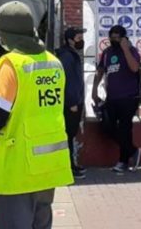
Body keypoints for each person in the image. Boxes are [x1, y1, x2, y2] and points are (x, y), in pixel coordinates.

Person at [0, 1, 73, 229]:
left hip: (16, 168)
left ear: (6, 36)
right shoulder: (53, 62)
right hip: (47, 167)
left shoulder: (11, 65)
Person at [92, 25, 141, 174]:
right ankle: (132, 150)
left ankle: (123, 161)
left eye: (117, 37)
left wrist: (125, 49)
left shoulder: (132, 51)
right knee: (107, 127)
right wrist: (94, 90)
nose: (114, 39)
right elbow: (100, 71)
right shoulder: (107, 53)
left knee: (125, 129)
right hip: (112, 97)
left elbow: (134, 68)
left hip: (129, 97)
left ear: (124, 38)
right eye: (112, 37)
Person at [56, 27, 87, 179]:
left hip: (76, 101)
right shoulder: (67, 56)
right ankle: (68, 167)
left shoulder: (71, 54)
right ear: (70, 39)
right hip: (71, 104)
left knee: (71, 135)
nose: (81, 39)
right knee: (68, 135)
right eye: (78, 36)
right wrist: (72, 101)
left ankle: (71, 165)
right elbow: (67, 80)